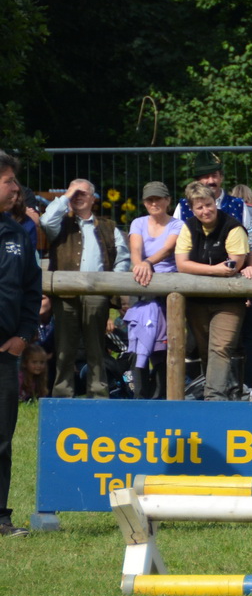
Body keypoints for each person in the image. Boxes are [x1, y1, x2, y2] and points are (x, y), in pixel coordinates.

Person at [41, 178, 129, 399]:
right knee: (64, 348)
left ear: (93, 199)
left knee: (97, 348)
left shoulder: (109, 226)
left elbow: (122, 259)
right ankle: (62, 395)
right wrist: (66, 195)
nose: (78, 197)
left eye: (82, 193)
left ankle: (98, 394)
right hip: (65, 294)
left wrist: (111, 289)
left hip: (97, 294)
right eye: (74, 193)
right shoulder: (59, 224)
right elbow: (45, 221)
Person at [174, 181, 252, 401]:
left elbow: (234, 265)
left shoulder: (233, 226)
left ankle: (214, 399)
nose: (205, 210)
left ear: (215, 203)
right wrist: (214, 269)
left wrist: (204, 270)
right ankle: (221, 393)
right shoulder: (189, 226)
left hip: (228, 301)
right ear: (192, 209)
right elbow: (181, 264)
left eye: (208, 205)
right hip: (197, 301)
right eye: (199, 207)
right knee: (205, 350)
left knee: (221, 347)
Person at [0, 151, 41, 536]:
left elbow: (32, 289)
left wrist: (23, 336)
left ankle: (0, 517)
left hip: (5, 355)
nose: (17, 188)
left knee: (2, 437)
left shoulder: (17, 233)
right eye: (10, 180)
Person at [122, 182, 182, 400]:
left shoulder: (178, 224)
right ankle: (139, 395)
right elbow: (135, 247)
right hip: (141, 284)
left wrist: (147, 263)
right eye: (149, 200)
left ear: (167, 200)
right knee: (137, 341)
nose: (154, 203)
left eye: (158, 199)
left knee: (162, 346)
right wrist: (140, 265)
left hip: (167, 287)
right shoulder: (138, 223)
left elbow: (168, 249)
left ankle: (162, 395)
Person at [175, 153, 247, 227]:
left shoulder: (238, 205)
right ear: (198, 181)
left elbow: (249, 235)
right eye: (206, 177)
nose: (211, 181)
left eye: (214, 176)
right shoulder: (184, 206)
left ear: (221, 178)